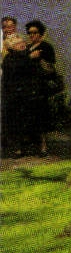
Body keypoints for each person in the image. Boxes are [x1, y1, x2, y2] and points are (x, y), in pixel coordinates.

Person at [10, 22, 59, 156]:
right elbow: (20, 66)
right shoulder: (27, 48)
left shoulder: (45, 47)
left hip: (39, 87)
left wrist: (35, 60)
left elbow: (49, 67)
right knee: (24, 117)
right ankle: (23, 148)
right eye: (29, 33)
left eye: (34, 32)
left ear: (41, 33)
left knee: (39, 117)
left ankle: (43, 147)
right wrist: (29, 58)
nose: (31, 35)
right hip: (26, 87)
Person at [1, 23, 32, 157]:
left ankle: (31, 145)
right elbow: (14, 71)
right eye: (17, 43)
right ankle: (19, 148)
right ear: (11, 47)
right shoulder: (9, 59)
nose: (21, 44)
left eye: (21, 42)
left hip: (28, 92)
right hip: (14, 95)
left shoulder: (28, 54)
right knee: (16, 121)